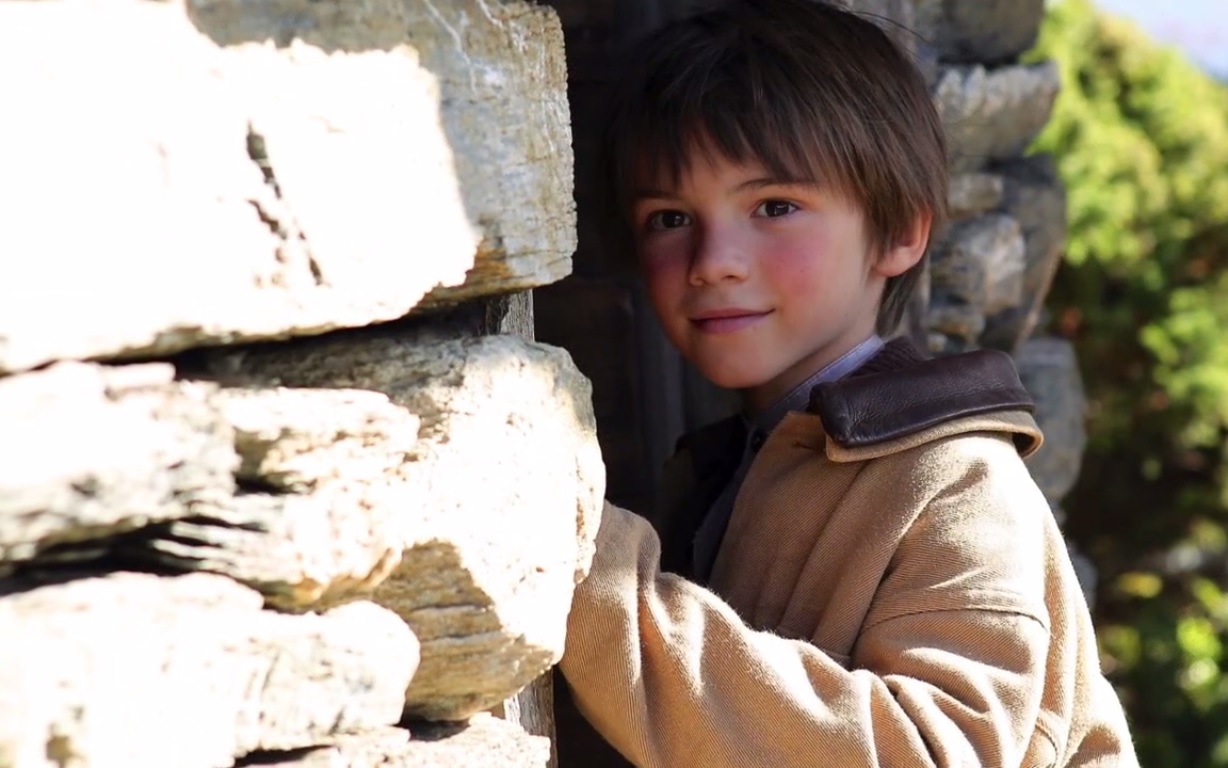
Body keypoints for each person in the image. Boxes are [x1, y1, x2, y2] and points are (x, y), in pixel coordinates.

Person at [554, 1, 1139, 766]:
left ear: (900, 232)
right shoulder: (729, 468)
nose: (712, 260)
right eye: (669, 218)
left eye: (775, 206)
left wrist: (584, 571)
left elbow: (932, 752)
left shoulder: (959, 482)